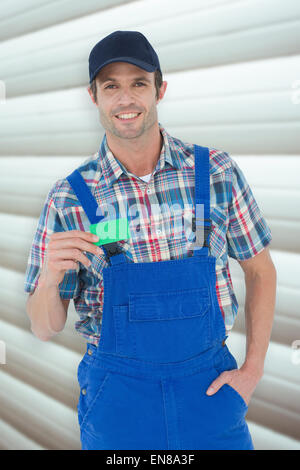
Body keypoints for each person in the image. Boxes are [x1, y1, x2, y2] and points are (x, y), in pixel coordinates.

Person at [24, 30, 277, 450]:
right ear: (94, 96)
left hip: (210, 394)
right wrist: (50, 278)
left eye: (139, 83)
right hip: (119, 406)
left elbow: (260, 270)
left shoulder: (215, 171)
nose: (126, 99)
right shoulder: (69, 198)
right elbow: (43, 327)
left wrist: (253, 370)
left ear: (160, 89)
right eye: (111, 86)